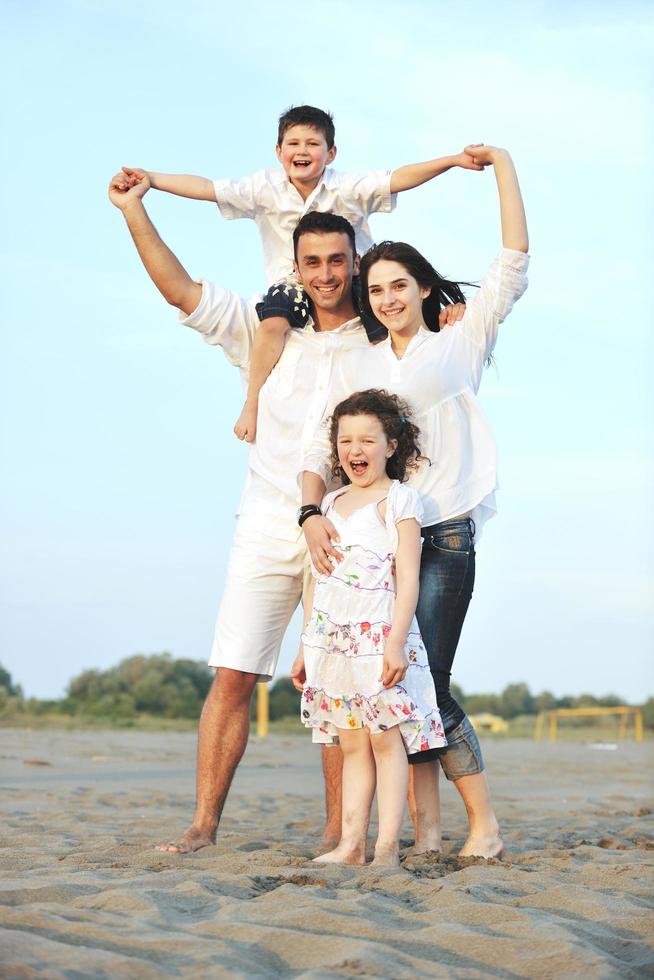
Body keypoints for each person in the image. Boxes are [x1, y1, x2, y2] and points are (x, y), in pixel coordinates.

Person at [107, 171, 465, 855]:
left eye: (338, 261)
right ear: (293, 268)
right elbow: (180, 290)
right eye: (312, 263)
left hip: (352, 533)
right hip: (269, 520)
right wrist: (133, 212)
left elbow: (435, 337)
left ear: (353, 262)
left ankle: (341, 834)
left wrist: (449, 316)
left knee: (346, 680)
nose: (326, 274)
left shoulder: (377, 341)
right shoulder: (265, 330)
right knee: (234, 672)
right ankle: (204, 824)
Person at [299, 145, 529, 859]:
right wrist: (310, 514)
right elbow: (324, 450)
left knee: (427, 683)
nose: (387, 298)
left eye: (400, 285)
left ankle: (482, 826)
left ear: (426, 289)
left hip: (443, 535)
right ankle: (428, 834)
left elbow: (514, 258)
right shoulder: (365, 363)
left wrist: (502, 166)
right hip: (373, 542)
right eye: (377, 290)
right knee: (396, 688)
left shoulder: (461, 341)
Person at [120, 104, 484, 442]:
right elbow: (207, 188)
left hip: (356, 281)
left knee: (389, 334)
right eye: (293, 143)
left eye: (313, 143)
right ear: (278, 152)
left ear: (331, 153)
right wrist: (152, 179)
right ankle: (251, 402)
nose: (302, 151)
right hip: (289, 283)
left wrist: (451, 161)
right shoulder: (262, 188)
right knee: (272, 325)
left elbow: (399, 178)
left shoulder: (347, 187)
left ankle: (402, 415)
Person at [292, 389, 446, 866]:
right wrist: (305, 647)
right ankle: (351, 845)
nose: (355, 451)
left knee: (386, 741)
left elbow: (407, 579)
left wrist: (395, 642)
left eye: (367, 440)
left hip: (378, 638)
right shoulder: (330, 504)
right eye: (345, 441)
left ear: (391, 446)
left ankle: (385, 850)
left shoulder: (400, 501)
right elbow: (316, 579)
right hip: (333, 644)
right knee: (352, 742)